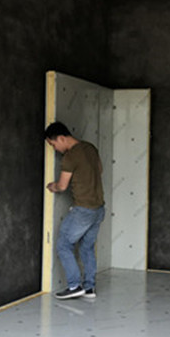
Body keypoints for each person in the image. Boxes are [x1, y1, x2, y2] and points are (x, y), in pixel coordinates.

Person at [45, 121, 105, 299]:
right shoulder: (90, 148)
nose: (55, 149)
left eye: (53, 144)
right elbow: (99, 170)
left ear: (61, 138)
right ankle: (89, 288)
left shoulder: (70, 156)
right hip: (98, 209)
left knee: (63, 245)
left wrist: (52, 186)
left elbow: (62, 186)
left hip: (83, 210)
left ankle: (74, 286)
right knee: (87, 247)